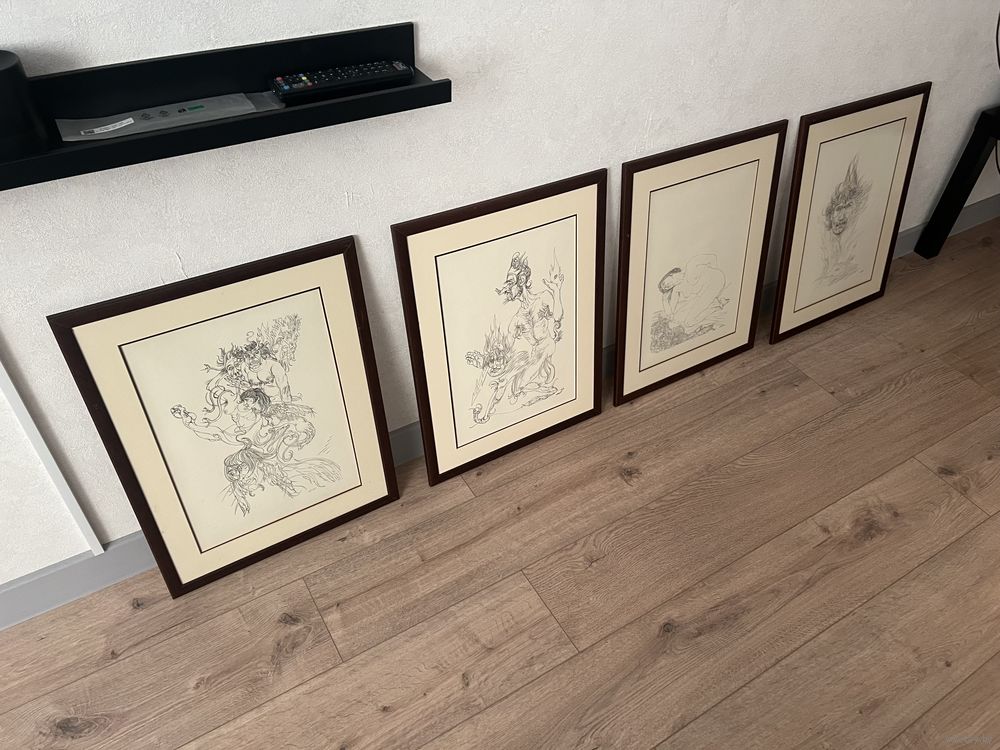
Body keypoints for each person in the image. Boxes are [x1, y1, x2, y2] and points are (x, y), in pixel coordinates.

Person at [465, 252, 564, 424]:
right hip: (534, 353)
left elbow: (557, 317)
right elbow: (507, 351)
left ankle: (549, 392)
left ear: (522, 281)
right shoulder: (516, 320)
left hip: (547, 345)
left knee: (520, 384)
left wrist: (557, 291)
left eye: (510, 282)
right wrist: (486, 360)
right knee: (507, 380)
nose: (506, 287)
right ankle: (485, 414)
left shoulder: (542, 298)